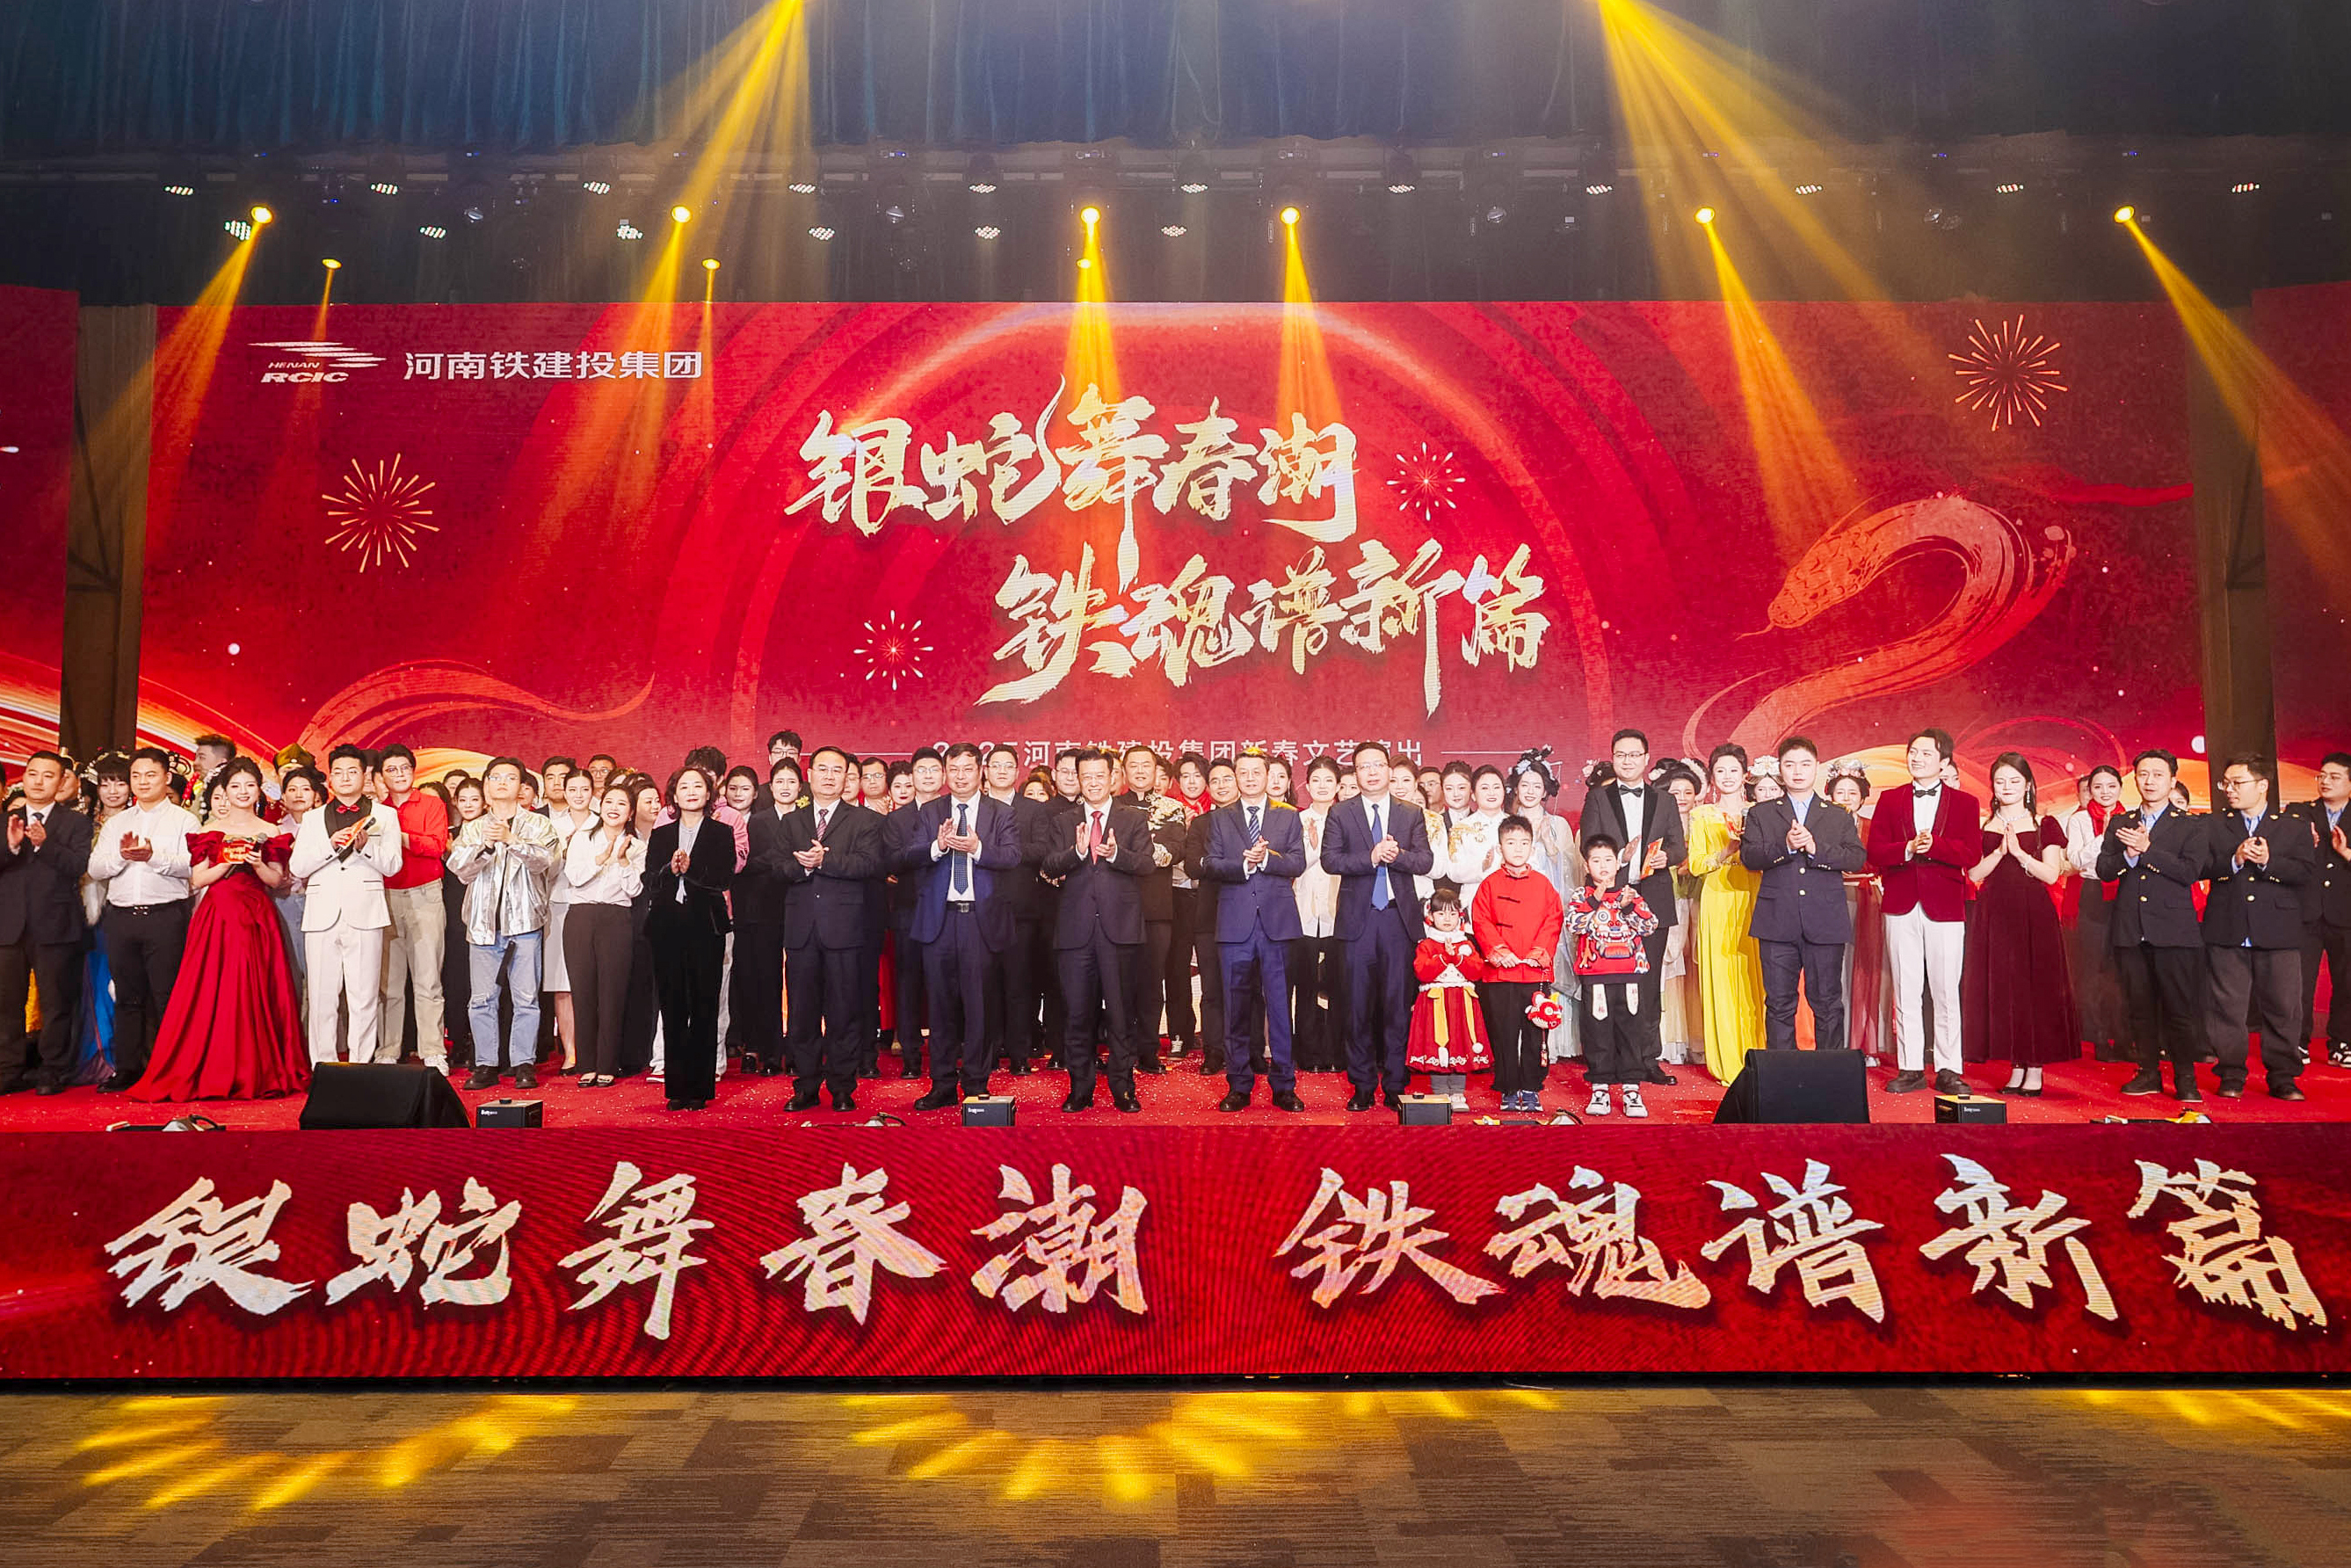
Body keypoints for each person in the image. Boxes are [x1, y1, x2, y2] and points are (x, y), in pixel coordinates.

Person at [130, 759, 308, 1100]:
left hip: (257, 915)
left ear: (259, 790)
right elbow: (198, 880)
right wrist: (226, 862)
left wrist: (258, 864)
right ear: (224, 791)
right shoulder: (209, 830)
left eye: (249, 785)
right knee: (214, 989)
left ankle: (258, 1069)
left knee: (258, 988)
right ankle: (216, 1067)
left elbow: (276, 881)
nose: (243, 792)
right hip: (218, 915)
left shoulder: (271, 831)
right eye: (235, 786)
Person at [903, 743, 1023, 1109]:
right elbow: (908, 855)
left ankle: (976, 1082)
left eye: (967, 769)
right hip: (938, 921)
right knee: (939, 1007)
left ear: (980, 771)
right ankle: (942, 1084)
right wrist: (937, 846)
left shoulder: (1001, 812)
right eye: (953, 769)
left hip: (980, 922)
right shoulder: (929, 811)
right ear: (945, 773)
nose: (960, 776)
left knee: (979, 1007)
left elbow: (1013, 856)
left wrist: (977, 848)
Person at [765, 745, 882, 1113]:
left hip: (845, 930)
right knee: (802, 1013)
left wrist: (825, 861)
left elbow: (869, 865)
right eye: (823, 769)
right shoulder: (792, 822)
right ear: (810, 775)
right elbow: (776, 868)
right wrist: (803, 867)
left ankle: (842, 1087)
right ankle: (806, 1086)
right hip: (801, 931)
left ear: (847, 777)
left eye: (837, 770)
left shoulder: (863, 820)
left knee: (844, 1012)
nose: (830, 776)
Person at [1866, 729, 1980, 1095]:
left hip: (1945, 905)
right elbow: (1875, 851)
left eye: (1926, 753)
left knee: (1946, 990)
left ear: (1944, 761)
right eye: (1913, 752)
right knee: (1906, 988)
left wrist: (1936, 846)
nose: (1917, 758)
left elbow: (1971, 853)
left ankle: (1949, 1068)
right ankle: (1911, 1066)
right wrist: (1908, 848)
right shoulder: (1890, 799)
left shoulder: (1965, 803)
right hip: (1901, 902)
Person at [1323, 742, 1435, 1111]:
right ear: (1355, 773)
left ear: (1389, 770)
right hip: (1358, 922)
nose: (1371, 772)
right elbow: (1330, 860)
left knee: (1397, 1007)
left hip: (1397, 921)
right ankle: (1362, 1085)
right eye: (1363, 766)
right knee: (1357, 1007)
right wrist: (1370, 857)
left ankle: (1395, 1085)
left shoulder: (1410, 812)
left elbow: (1425, 861)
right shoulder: (1341, 812)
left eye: (1377, 765)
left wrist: (1397, 856)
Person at [1740, 737, 1868, 1052]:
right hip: (1777, 921)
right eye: (1790, 764)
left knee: (1827, 1003)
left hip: (1825, 921)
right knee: (1779, 1003)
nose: (1797, 771)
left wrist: (1814, 848)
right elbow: (1750, 857)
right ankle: (1781, 1075)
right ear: (1780, 769)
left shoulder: (1837, 814)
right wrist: (1785, 846)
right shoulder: (1761, 813)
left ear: (1817, 767)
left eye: (1805, 764)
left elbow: (1855, 858)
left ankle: (1830, 1072)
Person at [1043, 750, 1152, 1112]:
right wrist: (1076, 853)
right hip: (1075, 933)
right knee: (1077, 1015)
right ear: (1077, 779)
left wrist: (1117, 855)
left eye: (1098, 776)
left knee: (1121, 1014)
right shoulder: (1063, 821)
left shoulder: (1133, 818)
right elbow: (1049, 864)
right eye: (1085, 776)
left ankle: (1123, 1088)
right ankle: (1080, 1089)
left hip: (1119, 931)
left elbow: (1147, 864)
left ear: (1112, 778)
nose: (1092, 783)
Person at [1578, 730, 1688, 1087]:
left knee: (1648, 984)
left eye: (1634, 754)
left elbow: (1679, 847)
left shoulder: (1664, 800)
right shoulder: (1598, 798)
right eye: (1621, 755)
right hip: (1609, 900)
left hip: (1652, 899)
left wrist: (1666, 857)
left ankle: (1646, 1060)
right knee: (1607, 983)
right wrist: (1620, 858)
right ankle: (1607, 1063)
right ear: (1612, 758)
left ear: (1646, 759)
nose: (1627, 761)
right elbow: (1588, 845)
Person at [2097, 748, 2210, 1101]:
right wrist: (2128, 855)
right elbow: (2104, 870)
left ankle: (2186, 1078)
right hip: (2131, 929)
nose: (2149, 781)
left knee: (2179, 1008)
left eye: (2158, 775)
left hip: (2174, 932)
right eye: (2143, 774)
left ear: (2173, 780)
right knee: (2139, 1007)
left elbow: (2190, 872)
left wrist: (2147, 850)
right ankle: (2148, 1073)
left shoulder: (2191, 824)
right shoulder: (2121, 822)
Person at [1959, 753, 2075, 1095]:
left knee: (2032, 988)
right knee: (2004, 989)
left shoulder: (2044, 824)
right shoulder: (1983, 827)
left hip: (2033, 912)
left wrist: (2021, 854)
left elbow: (2051, 874)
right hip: (1993, 913)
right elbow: (1974, 874)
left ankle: (2034, 1065)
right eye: (2000, 781)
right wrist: (1998, 852)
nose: (2007, 787)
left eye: (2014, 781)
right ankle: (2016, 1064)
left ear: (2028, 786)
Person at [1200, 751, 1309, 1113]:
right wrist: (1243, 864)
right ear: (1235, 778)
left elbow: (1297, 862)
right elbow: (1212, 864)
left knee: (1279, 1008)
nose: (1249, 778)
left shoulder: (1287, 815)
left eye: (1255, 772)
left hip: (1277, 924)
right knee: (1235, 1008)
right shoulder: (1221, 817)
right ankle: (1239, 1084)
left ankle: (1284, 1086)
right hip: (1235, 925)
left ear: (1268, 776)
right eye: (1242, 773)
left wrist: (1266, 859)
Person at [84, 748, 198, 1092]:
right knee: (128, 997)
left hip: (165, 917)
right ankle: (128, 1070)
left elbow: (191, 865)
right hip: (121, 918)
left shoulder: (184, 821)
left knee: (167, 997)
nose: (143, 782)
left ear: (167, 777)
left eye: (151, 775)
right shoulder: (118, 822)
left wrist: (153, 856)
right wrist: (121, 857)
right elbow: (95, 868)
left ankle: (170, 1070)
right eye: (136, 776)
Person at [2202, 753, 2313, 1100]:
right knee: (2227, 1007)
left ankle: (2283, 1076)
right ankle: (2231, 1074)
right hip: (2227, 925)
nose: (2230, 790)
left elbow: (2305, 873)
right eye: (2226, 783)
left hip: (2278, 929)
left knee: (2283, 1007)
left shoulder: (2293, 825)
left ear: (2262, 785)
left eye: (2238, 783)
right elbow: (2200, 867)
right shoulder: (2213, 824)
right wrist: (2234, 860)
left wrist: (2269, 862)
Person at [446, 757, 559, 1091]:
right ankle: (486, 1064)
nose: (502, 783)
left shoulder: (538, 824)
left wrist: (512, 840)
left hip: (524, 923)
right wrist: (485, 846)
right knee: (481, 999)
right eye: (495, 777)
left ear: (521, 786)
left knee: (526, 999)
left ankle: (523, 1063)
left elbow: (544, 862)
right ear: (486, 785)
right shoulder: (473, 827)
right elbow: (459, 869)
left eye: (510, 777)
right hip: (482, 925)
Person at [288, 744, 405, 1068]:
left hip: (365, 913)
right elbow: (297, 867)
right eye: (338, 772)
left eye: (352, 771)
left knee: (364, 997)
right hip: (321, 914)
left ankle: (360, 1067)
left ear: (364, 775)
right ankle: (323, 1067)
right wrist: (330, 846)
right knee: (321, 998)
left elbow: (393, 865)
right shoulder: (313, 818)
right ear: (330, 779)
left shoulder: (385, 815)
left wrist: (366, 849)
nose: (345, 778)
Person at [2, 750, 92, 1095]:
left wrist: (44, 844)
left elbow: (77, 866)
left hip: (55, 926)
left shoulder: (75, 823)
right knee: (7, 1004)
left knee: (57, 1003)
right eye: (33, 774)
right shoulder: (5, 819)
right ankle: (8, 1069)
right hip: (8, 926)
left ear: (62, 781)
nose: (38, 782)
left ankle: (53, 1070)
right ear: (23, 777)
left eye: (48, 775)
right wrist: (11, 848)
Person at [644, 764, 733, 1112]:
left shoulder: (721, 832)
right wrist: (670, 869)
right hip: (667, 928)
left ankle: (700, 1089)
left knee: (705, 1007)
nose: (692, 792)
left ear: (709, 794)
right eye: (684, 786)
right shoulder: (662, 834)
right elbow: (650, 880)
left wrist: (690, 868)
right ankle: (676, 1089)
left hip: (706, 928)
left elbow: (723, 879)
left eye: (698, 786)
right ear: (674, 795)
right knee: (673, 1007)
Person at [1471, 814, 1566, 1113]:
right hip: (1501, 974)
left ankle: (1531, 1087)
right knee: (1504, 1033)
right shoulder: (1488, 885)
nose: (1517, 848)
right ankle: (1508, 1088)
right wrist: (1499, 951)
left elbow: (1554, 921)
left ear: (1532, 847)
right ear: (1500, 847)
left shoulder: (1543, 885)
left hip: (1535, 972)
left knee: (1536, 1034)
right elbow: (1481, 921)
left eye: (1524, 843)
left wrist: (1539, 952)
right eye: (1511, 843)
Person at [1564, 832, 1661, 1118]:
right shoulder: (1581, 896)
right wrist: (1595, 900)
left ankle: (1632, 1089)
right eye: (1596, 860)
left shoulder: (1630, 894)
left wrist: (1629, 906)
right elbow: (1574, 924)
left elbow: (1650, 926)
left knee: (1631, 1032)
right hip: (1596, 975)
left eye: (1608, 859)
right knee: (1597, 1033)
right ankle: (1600, 1088)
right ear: (1586, 865)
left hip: (1629, 976)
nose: (1603, 866)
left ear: (1618, 863)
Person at [1688, 745, 1765, 1085]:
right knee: (1722, 979)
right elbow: (1695, 865)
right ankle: (1728, 1062)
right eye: (1721, 771)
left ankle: (1761, 1057)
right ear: (1712, 777)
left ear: (1745, 775)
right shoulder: (1702, 815)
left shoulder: (1760, 813)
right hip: (1718, 899)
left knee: (1756, 977)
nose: (1728, 777)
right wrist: (1726, 851)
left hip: (1756, 896)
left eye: (1734, 770)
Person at [564, 781, 645, 1087]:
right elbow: (574, 876)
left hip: (616, 918)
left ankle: (608, 1064)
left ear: (630, 812)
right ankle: (586, 1064)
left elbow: (634, 890)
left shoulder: (637, 847)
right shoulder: (583, 837)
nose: (614, 808)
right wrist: (601, 858)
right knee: (583, 991)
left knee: (613, 993)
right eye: (609, 801)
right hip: (581, 917)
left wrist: (622, 861)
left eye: (622, 804)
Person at [375, 744, 451, 1070]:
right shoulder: (376, 810)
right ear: (381, 776)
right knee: (388, 984)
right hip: (385, 896)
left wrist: (398, 834)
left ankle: (433, 1051)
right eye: (391, 770)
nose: (399, 774)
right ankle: (388, 1050)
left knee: (428, 979)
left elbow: (435, 846)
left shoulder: (432, 804)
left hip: (425, 895)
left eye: (404, 768)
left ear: (413, 770)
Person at [2280, 752, 2351, 1071]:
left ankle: (2343, 1042)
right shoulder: (2299, 812)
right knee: (2300, 982)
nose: (2325, 781)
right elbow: (2282, 854)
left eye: (2334, 777)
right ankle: (2298, 1041)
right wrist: (2300, 845)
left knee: (2347, 981)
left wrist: (2346, 853)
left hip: (2346, 913)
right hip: (2304, 912)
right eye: (2322, 776)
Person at [980, 744, 1048, 1075]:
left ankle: (1020, 1054)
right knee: (985, 985)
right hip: (981, 907)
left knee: (1019, 985)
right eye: (996, 765)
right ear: (986, 771)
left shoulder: (1033, 809)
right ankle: (988, 1054)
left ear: (1018, 771)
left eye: (1008, 766)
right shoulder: (974, 807)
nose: (1002, 771)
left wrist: (1003, 850)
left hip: (1022, 908)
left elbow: (1042, 850)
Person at [734, 757, 801, 1077]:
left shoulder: (807, 819)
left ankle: (799, 1051)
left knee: (801, 982)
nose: (785, 787)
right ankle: (769, 1051)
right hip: (762, 909)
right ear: (769, 787)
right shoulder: (757, 822)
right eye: (779, 782)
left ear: (800, 787)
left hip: (801, 907)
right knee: (766, 981)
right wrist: (780, 860)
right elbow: (745, 866)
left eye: (791, 781)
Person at [2064, 765, 2130, 1063]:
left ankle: (2125, 1037)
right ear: (2089, 790)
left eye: (2111, 786)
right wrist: (2105, 835)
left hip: (2126, 894)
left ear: (2120, 788)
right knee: (2093, 968)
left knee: (2123, 968)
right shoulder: (2079, 820)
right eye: (2098, 787)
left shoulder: (2132, 817)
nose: (2105, 792)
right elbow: (2077, 860)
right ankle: (2099, 1036)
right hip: (2092, 893)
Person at [1825, 764, 1890, 1063]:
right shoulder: (1821, 824)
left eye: (1853, 793)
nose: (1846, 798)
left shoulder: (1872, 826)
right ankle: (1831, 1041)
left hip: (1864, 898)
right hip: (1828, 897)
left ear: (1863, 798)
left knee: (1864, 970)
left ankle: (1863, 1043)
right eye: (1840, 792)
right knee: (1831, 971)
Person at [1183, 759, 1243, 1076]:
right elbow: (1193, 866)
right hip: (1209, 916)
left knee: (1246, 987)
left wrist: (1213, 863)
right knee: (1212, 989)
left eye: (1227, 779)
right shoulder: (1201, 824)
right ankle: (1214, 1051)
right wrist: (1231, 864)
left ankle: (1245, 1051)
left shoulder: (1252, 820)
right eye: (1215, 781)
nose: (1221, 785)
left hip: (1245, 915)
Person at [1406, 886, 1489, 1109]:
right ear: (1431, 916)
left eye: (1452, 913)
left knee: (1461, 1042)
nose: (1447, 918)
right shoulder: (1426, 944)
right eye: (1441, 913)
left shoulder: (1466, 944)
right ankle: (1441, 1091)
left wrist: (1458, 959)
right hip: (1435, 1004)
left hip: (1461, 1003)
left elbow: (1477, 971)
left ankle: (1458, 1092)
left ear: (1460, 916)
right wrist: (1444, 957)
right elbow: (1422, 971)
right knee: (1438, 1043)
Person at [1290, 756, 1346, 1074]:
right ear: (1307, 786)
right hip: (1303, 915)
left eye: (1329, 780)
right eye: (1316, 780)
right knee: (1306, 987)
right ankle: (1308, 1054)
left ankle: (1337, 1053)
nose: (1323, 786)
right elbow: (1294, 864)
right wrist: (1313, 847)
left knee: (1339, 987)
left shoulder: (1348, 819)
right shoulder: (1295, 821)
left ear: (1338, 786)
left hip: (1340, 916)